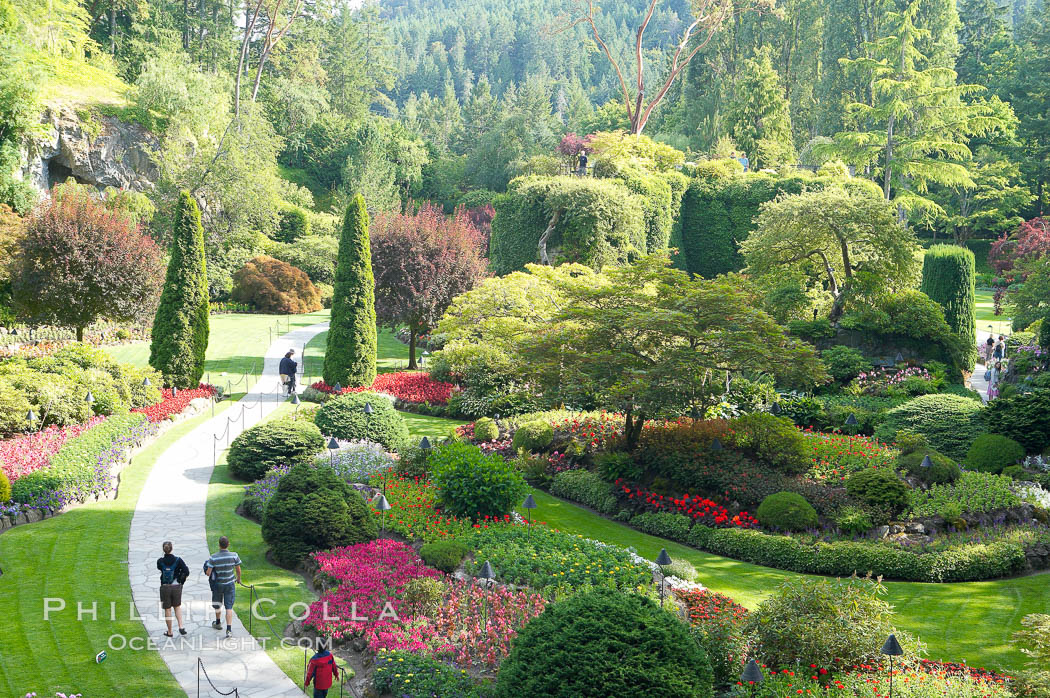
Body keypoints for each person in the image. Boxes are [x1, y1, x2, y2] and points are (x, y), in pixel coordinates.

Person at [205, 536, 242, 638]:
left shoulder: (213, 557)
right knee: (229, 607)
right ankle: (229, 630)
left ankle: (217, 623)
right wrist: (238, 579)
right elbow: (238, 569)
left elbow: (208, 573)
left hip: (218, 585)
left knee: (217, 604)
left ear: (219, 545)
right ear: (228, 544)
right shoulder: (234, 556)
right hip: (230, 584)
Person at [157, 541, 190, 637]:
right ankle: (181, 626)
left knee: (167, 609)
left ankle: (170, 631)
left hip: (165, 587)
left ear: (163, 550)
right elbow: (186, 571)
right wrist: (181, 580)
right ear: (172, 549)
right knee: (177, 606)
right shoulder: (178, 560)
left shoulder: (160, 561)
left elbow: (160, 568)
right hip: (176, 586)